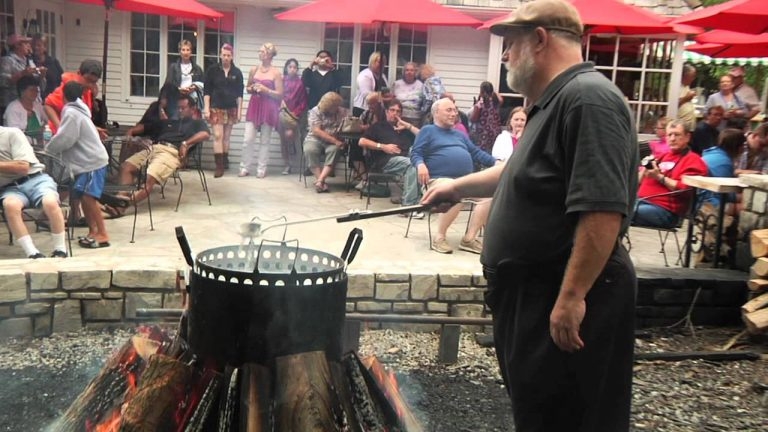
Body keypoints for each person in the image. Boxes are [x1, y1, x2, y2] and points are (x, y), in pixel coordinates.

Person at [421, 1, 638, 429]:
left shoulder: (588, 100)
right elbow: (519, 171)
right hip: (534, 292)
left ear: (540, 40)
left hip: (564, 290)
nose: (504, 55)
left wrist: (572, 297)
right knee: (538, 411)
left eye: (511, 43)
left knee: (569, 417)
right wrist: (456, 187)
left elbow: (602, 209)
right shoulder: (550, 102)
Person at [411, 98, 497, 254]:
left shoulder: (459, 134)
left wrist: (497, 163)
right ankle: (439, 237)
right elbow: (416, 153)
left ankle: (469, 239)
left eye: (455, 110)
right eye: (449, 110)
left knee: (490, 196)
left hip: (464, 181)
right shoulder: (427, 131)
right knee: (455, 191)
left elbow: (476, 153)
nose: (454, 113)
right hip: (437, 181)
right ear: (436, 112)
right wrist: (420, 164)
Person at [114, 95, 210, 213]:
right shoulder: (169, 122)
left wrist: (185, 143)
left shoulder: (197, 123)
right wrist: (131, 131)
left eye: (183, 108)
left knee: (149, 179)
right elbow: (145, 127)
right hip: (154, 148)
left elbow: (205, 134)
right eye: (178, 108)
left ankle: (121, 207)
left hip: (172, 152)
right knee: (126, 167)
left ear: (192, 109)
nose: (179, 111)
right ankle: (118, 200)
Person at [45, 81, 110, 249]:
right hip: (88, 162)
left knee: (89, 198)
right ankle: (93, 231)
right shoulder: (79, 110)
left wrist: (49, 149)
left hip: (92, 162)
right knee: (83, 197)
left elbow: (66, 138)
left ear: (63, 96)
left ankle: (102, 234)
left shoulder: (72, 113)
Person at [0, 126, 66, 258]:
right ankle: (33, 253)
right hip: (9, 188)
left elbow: (23, 167)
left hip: (35, 179)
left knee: (50, 202)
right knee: (10, 205)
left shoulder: (11, 133)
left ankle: (60, 250)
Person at [634, 121, 708, 228]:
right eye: (669, 135)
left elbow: (685, 189)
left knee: (621, 213)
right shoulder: (662, 156)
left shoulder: (694, 160)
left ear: (687, 137)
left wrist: (659, 177)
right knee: (613, 207)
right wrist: (644, 170)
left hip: (665, 211)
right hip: (641, 201)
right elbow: (637, 183)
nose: (672, 139)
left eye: (677, 135)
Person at [358, 99, 421, 213]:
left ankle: (418, 201)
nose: (395, 113)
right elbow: (362, 141)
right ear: (386, 112)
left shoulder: (405, 128)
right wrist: (382, 146)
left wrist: (408, 126)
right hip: (386, 161)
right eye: (392, 110)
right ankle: (408, 207)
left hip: (406, 158)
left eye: (398, 111)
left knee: (419, 163)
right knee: (413, 164)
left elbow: (423, 136)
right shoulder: (378, 126)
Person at [241, 43, 283, 178]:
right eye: (259, 51)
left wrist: (266, 90)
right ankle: (245, 167)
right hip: (255, 105)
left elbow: (280, 94)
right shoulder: (254, 69)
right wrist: (252, 88)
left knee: (264, 140)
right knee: (248, 139)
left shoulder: (276, 72)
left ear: (270, 55)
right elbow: (247, 88)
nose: (260, 53)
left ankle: (261, 169)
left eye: (263, 51)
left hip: (268, 107)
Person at [203, 43, 244, 178]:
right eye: (224, 55)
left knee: (226, 137)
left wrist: (239, 111)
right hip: (216, 106)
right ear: (220, 55)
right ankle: (219, 166)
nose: (226, 57)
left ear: (232, 56)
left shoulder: (237, 72)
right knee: (218, 136)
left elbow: (239, 94)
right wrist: (206, 108)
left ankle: (225, 160)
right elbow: (207, 91)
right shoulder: (212, 70)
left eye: (228, 55)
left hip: (231, 107)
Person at [44, 59, 104, 135]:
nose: (89, 85)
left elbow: (81, 118)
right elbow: (48, 105)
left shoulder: (86, 91)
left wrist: (93, 129)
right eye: (87, 80)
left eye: (93, 82)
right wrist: (60, 127)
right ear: (79, 73)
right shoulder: (68, 88)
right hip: (59, 137)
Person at [302, 92, 347, 193]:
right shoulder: (315, 111)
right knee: (310, 150)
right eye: (335, 106)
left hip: (333, 141)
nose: (337, 108)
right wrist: (335, 141)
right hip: (315, 139)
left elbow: (346, 126)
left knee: (335, 150)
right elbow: (316, 131)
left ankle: (320, 181)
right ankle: (321, 181)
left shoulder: (342, 112)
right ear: (329, 106)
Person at [0, 34, 43, 124]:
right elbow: (3, 82)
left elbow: (36, 81)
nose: (29, 46)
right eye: (26, 43)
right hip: (12, 103)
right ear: (17, 45)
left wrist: (41, 75)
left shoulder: (29, 61)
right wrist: (22, 73)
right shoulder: (7, 61)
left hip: (31, 102)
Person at [699, 128, 744, 209]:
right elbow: (726, 192)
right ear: (738, 146)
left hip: (703, 197)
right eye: (743, 145)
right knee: (743, 207)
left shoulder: (712, 153)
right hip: (708, 202)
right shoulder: (724, 162)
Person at [278, 58, 308, 175]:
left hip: (293, 115)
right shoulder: (281, 80)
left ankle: (296, 156)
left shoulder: (300, 84)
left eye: (295, 67)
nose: (292, 69)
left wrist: (296, 112)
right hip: (280, 113)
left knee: (290, 135)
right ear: (286, 68)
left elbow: (303, 102)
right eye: (290, 67)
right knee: (282, 140)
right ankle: (287, 165)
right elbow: (276, 95)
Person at [164, 39, 205, 115]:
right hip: (177, 102)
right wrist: (179, 89)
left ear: (191, 52)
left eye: (188, 50)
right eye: (183, 50)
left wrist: (194, 87)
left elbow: (204, 86)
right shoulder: (173, 67)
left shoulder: (197, 69)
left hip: (193, 103)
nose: (185, 52)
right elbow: (167, 86)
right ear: (180, 52)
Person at [469, 81, 503, 152]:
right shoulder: (496, 101)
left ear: (481, 90)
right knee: (493, 151)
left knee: (481, 153)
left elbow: (473, 119)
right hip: (495, 131)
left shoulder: (480, 104)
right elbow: (499, 97)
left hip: (483, 133)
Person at [31, 34, 63, 101]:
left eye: (39, 45)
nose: (35, 47)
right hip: (35, 100)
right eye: (34, 45)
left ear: (45, 47)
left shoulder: (53, 62)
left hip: (53, 100)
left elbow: (61, 80)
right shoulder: (29, 62)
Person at [393, 62, 424, 127]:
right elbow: (392, 100)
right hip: (399, 117)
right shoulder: (396, 84)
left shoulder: (421, 85)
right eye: (407, 70)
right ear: (403, 72)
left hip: (415, 119)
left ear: (415, 72)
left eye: (411, 70)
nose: (409, 72)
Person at [678, 64, 697, 132]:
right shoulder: (675, 86)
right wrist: (687, 98)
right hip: (680, 126)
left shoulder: (686, 86)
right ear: (685, 76)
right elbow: (673, 105)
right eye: (692, 76)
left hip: (689, 126)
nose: (693, 79)